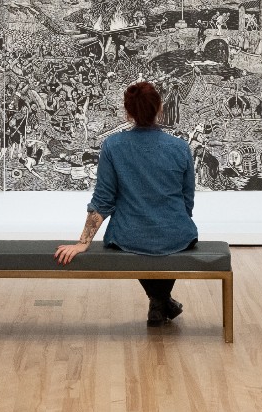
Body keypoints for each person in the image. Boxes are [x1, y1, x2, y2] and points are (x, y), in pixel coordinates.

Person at [54, 81, 197, 327]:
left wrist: (83, 242)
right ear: (159, 108)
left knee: (139, 241)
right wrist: (170, 222)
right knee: (163, 242)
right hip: (176, 233)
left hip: (130, 236)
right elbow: (187, 201)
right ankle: (161, 300)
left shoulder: (113, 146)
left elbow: (103, 199)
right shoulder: (180, 147)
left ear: (128, 112)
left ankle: (158, 300)